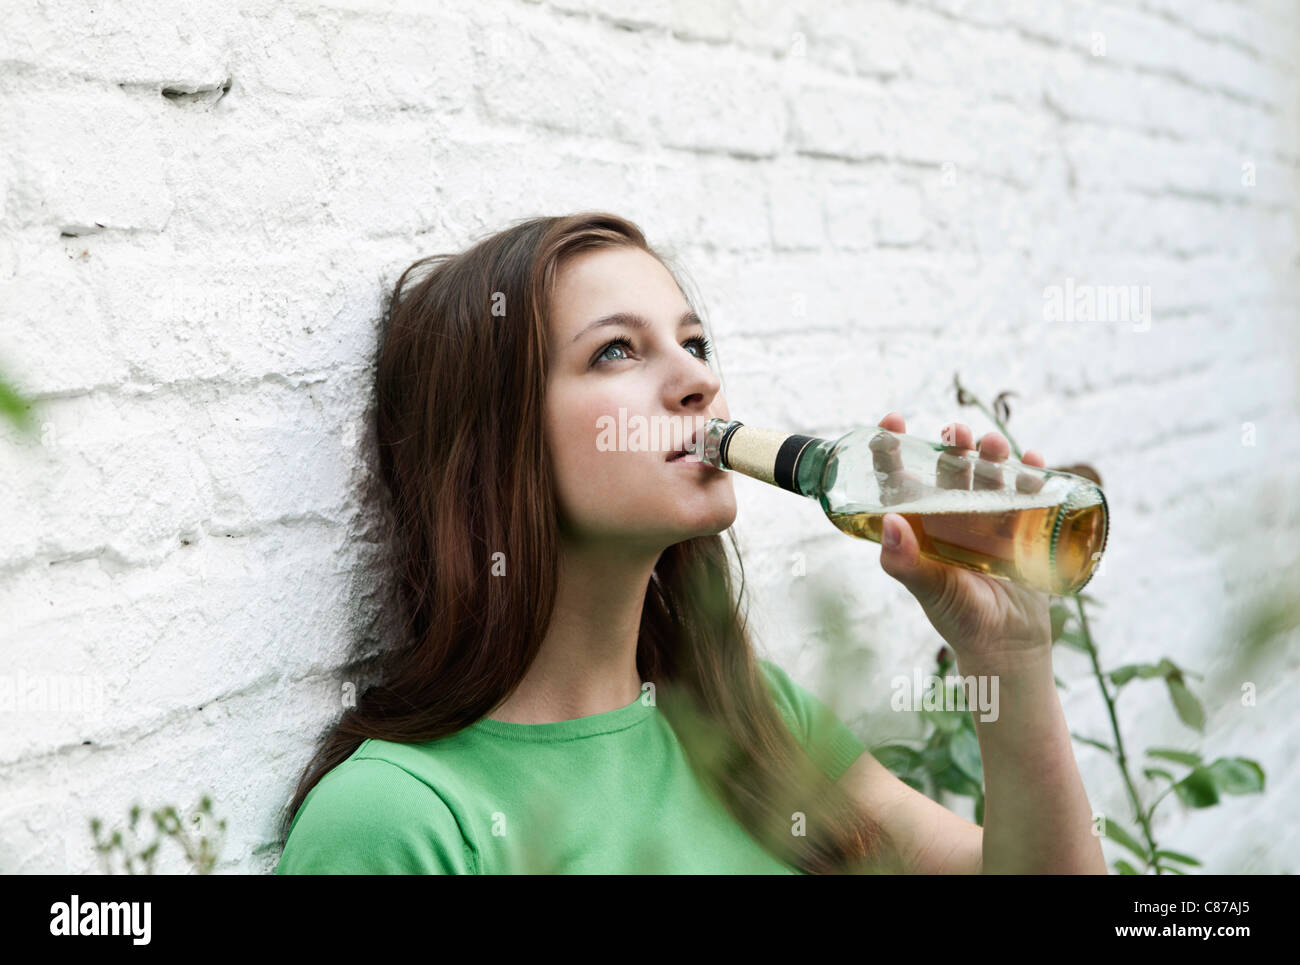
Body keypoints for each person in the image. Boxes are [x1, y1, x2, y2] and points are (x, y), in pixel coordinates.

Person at [274, 211, 1106, 874]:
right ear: (498, 437)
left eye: (695, 343)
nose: (699, 380)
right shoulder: (401, 821)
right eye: (615, 350)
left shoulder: (747, 715)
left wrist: (1008, 656)